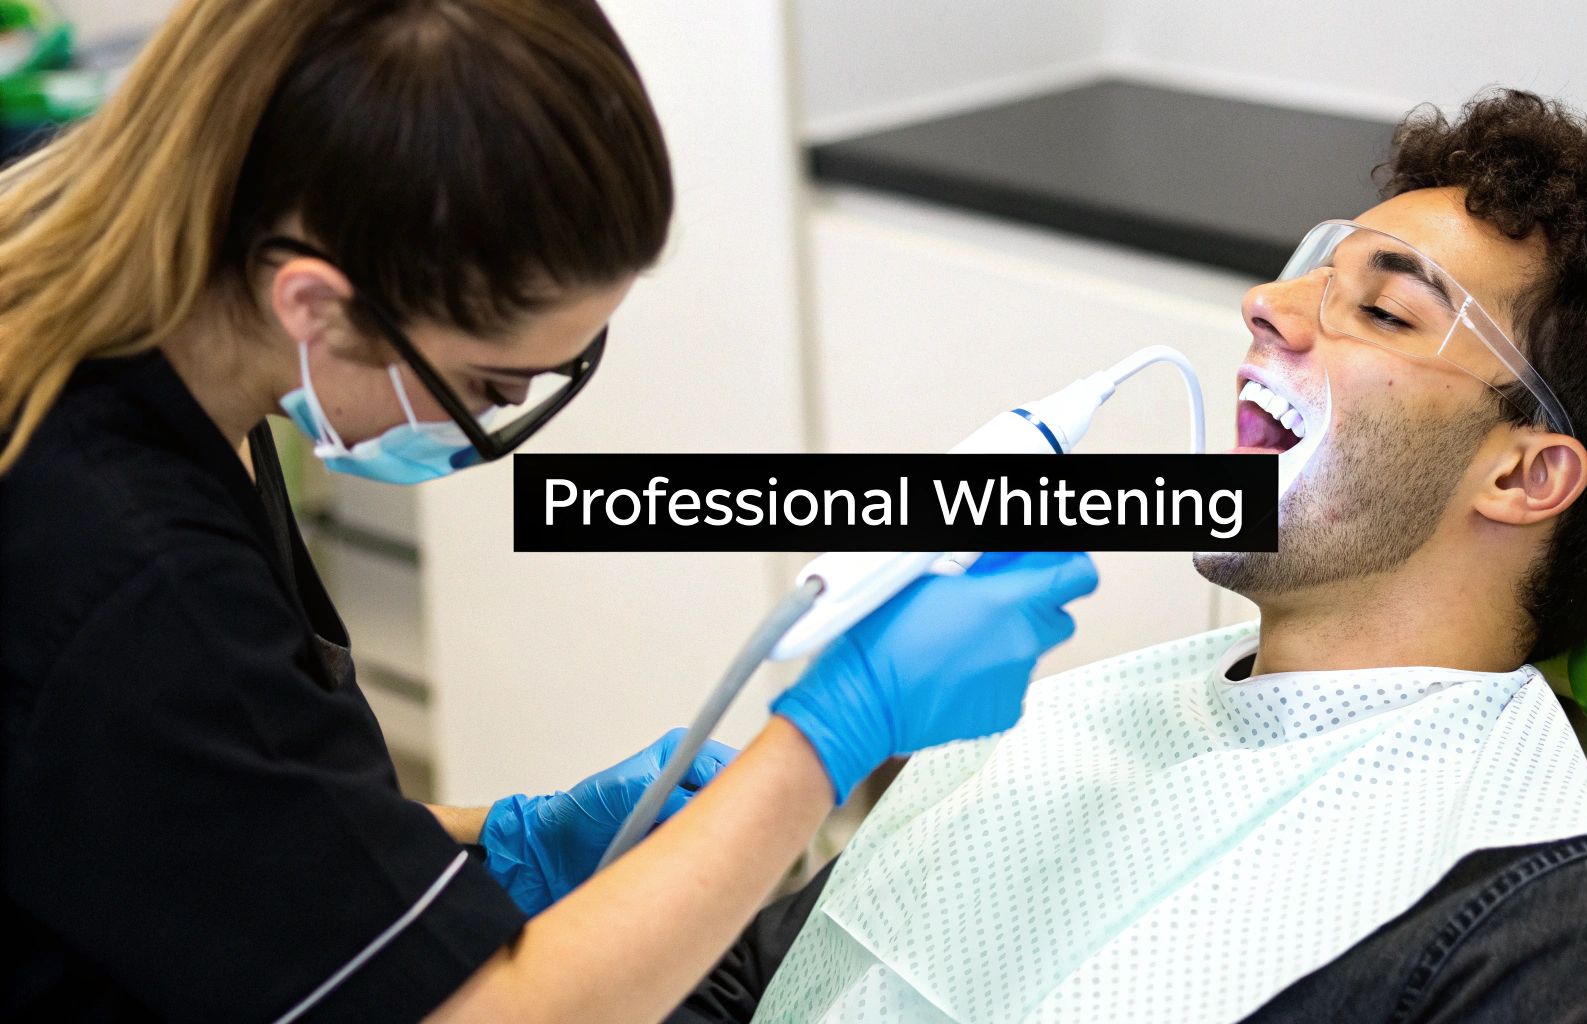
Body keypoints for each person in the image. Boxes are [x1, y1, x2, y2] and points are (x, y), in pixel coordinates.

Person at [0, 2, 1098, 1021]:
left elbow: (203, 825)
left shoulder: (163, 359)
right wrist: (826, 737)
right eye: (491, 386)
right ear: (314, 304)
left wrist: (498, 845)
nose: (497, 420)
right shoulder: (122, 562)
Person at [670, 90, 1587, 1023]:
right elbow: (746, 990)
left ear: (1521, 475)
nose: (1263, 308)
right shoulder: (1049, 724)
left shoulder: (1571, 924)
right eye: (1313, 273)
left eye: (1385, 312)